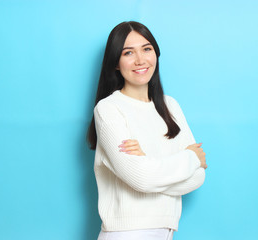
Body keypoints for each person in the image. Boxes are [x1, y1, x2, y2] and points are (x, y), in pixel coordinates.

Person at [87, 21, 207, 240]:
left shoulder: (170, 106)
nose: (140, 60)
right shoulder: (108, 109)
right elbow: (141, 178)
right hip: (125, 234)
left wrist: (149, 164)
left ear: (156, 54)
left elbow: (198, 177)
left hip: (165, 232)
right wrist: (190, 157)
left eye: (147, 49)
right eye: (128, 53)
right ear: (116, 62)